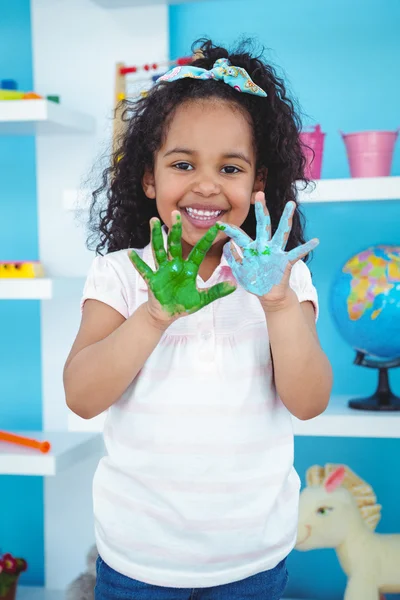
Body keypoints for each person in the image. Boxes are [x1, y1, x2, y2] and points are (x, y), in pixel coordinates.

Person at [64, 38, 333, 600]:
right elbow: (82, 396)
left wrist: (278, 304)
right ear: (148, 179)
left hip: (252, 561)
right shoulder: (121, 273)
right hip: (137, 559)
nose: (206, 184)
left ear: (258, 184)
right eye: (183, 164)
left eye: (230, 167)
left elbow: (308, 401)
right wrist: (155, 314)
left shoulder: (283, 280)